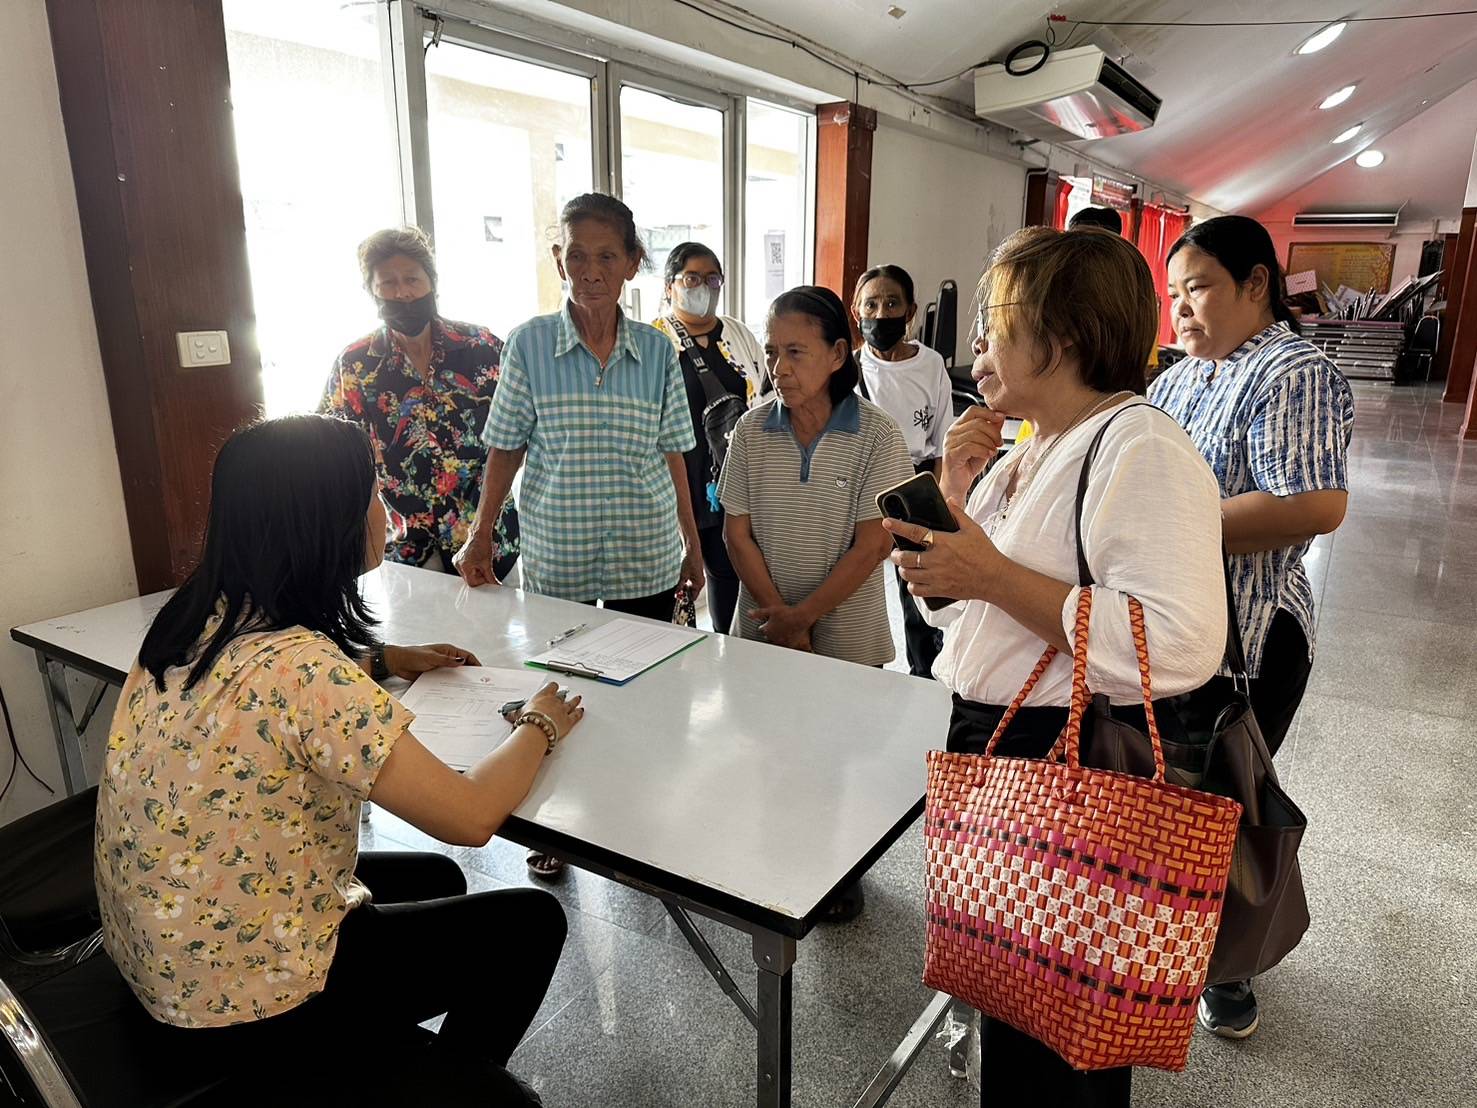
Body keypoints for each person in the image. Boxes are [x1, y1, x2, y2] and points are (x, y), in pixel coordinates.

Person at [93, 415, 585, 1103]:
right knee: (530, 924)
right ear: (325, 521)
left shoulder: (192, 619)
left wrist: (381, 660)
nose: (382, 513)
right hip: (249, 1003)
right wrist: (539, 722)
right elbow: (471, 817)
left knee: (430, 875)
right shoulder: (307, 673)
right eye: (372, 495)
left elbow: (261, 693)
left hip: (168, 953)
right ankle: (446, 1086)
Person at [885, 227, 1226, 1106]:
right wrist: (956, 504)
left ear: (1062, 335)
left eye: (996, 324)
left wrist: (992, 572)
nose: (976, 348)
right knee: (1014, 986)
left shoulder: (1136, 444)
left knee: (1065, 1011)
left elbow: (1180, 641)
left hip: (1067, 750)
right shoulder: (1029, 446)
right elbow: (967, 619)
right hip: (995, 736)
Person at [455, 193, 700, 879]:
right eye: (576, 254)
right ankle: (553, 827)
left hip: (644, 551)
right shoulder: (530, 342)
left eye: (605, 256)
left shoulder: (655, 348)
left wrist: (693, 544)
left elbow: (675, 450)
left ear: (629, 265)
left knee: (642, 695)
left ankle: (637, 816)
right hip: (558, 552)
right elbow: (504, 446)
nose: (589, 269)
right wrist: (481, 536)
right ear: (557, 257)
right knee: (554, 696)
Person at [1150, 213, 1354, 1042]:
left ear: (1256, 283)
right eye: (1173, 295)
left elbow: (1310, 504)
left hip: (1250, 641)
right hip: (1178, 630)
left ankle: (1228, 970)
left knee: (1223, 809)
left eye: (1197, 289)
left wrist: (1166, 519)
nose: (1182, 311)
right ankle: (1173, 948)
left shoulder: (1290, 371)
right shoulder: (1177, 378)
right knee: (1176, 805)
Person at [322, 226, 519, 581]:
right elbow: (339, 456)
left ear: (432, 282)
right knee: (422, 638)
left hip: (489, 540)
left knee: (499, 635)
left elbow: (517, 433)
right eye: (388, 284)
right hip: (404, 546)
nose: (403, 293)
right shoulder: (355, 364)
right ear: (372, 292)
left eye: (412, 279)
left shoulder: (483, 348)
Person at [651, 242, 767, 633]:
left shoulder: (737, 334)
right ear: (670, 286)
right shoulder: (654, 341)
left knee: (728, 571)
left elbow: (764, 398)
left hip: (730, 480)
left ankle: (727, 650)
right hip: (676, 481)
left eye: (712, 278)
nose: (704, 286)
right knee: (675, 581)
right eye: (692, 278)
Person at [851, 263, 953, 678]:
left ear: (911, 311)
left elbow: (944, 437)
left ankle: (924, 672)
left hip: (913, 485)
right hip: (861, 484)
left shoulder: (930, 365)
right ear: (856, 311)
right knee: (856, 579)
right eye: (870, 304)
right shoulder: (849, 367)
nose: (881, 314)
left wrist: (945, 500)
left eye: (892, 303)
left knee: (918, 589)